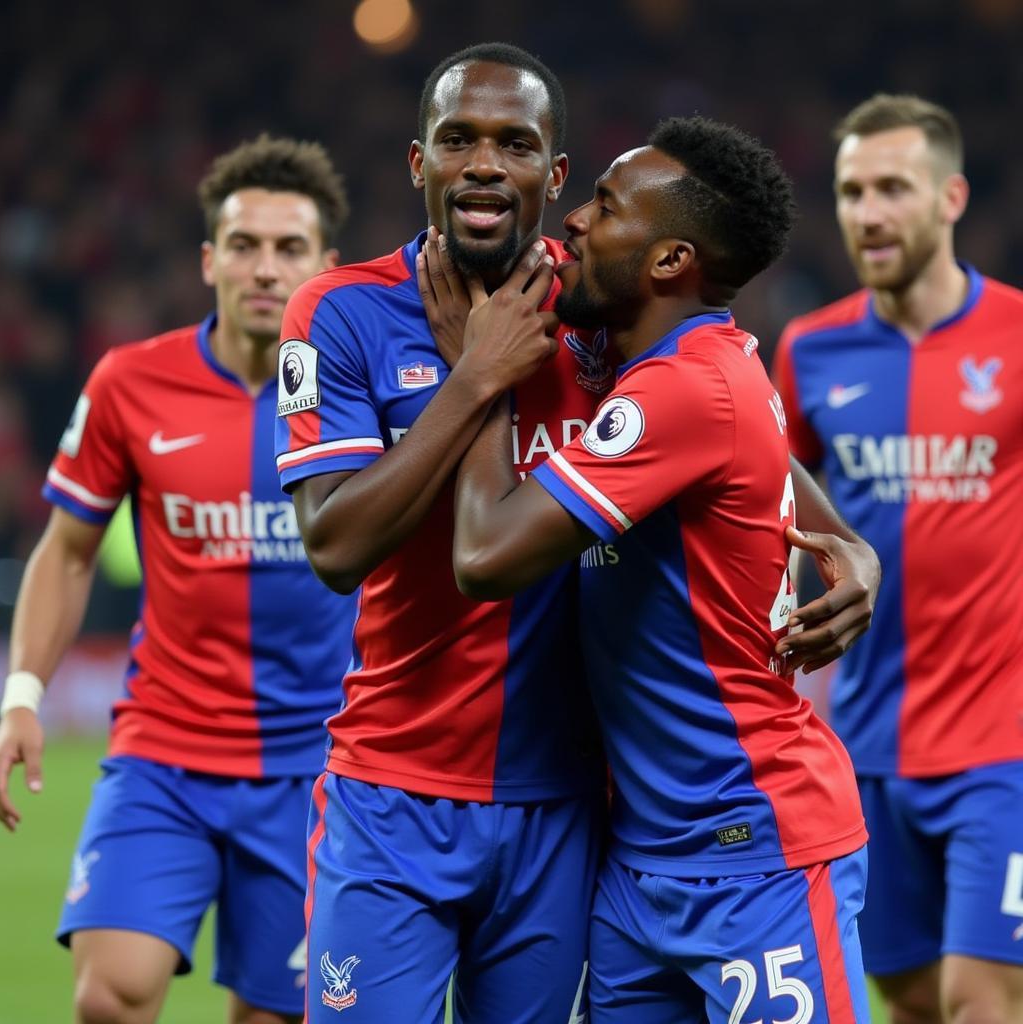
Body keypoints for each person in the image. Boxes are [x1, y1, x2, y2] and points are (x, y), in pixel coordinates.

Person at [277, 44, 878, 1023]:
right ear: (417, 162)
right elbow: (335, 548)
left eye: (513, 143)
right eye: (457, 140)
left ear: (552, 176)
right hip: (394, 785)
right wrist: (472, 380)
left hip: (566, 804)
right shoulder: (341, 311)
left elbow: (720, 415)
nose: (483, 164)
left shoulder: (594, 300)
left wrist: (848, 540)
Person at [444, 115, 873, 1021]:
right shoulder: (685, 365)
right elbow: (753, 452)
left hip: (759, 852)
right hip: (640, 864)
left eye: (603, 206)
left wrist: (478, 379)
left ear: (669, 262)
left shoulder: (684, 386)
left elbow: (483, 557)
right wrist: (859, 549)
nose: (573, 222)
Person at [0, 135, 353, 1024]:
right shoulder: (131, 382)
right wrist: (22, 694)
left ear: (327, 266)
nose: (265, 268)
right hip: (165, 749)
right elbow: (68, 549)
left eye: (289, 248)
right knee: (111, 996)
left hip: (317, 763)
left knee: (273, 1016)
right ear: (209, 260)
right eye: (244, 244)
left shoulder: (364, 395)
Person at [772, 94, 1023, 1024]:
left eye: (893, 188)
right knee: (908, 1001)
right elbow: (770, 515)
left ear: (950, 196)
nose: (868, 212)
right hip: (867, 745)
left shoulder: (1018, 336)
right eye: (850, 191)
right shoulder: (810, 348)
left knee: (981, 998)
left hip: (1003, 746)